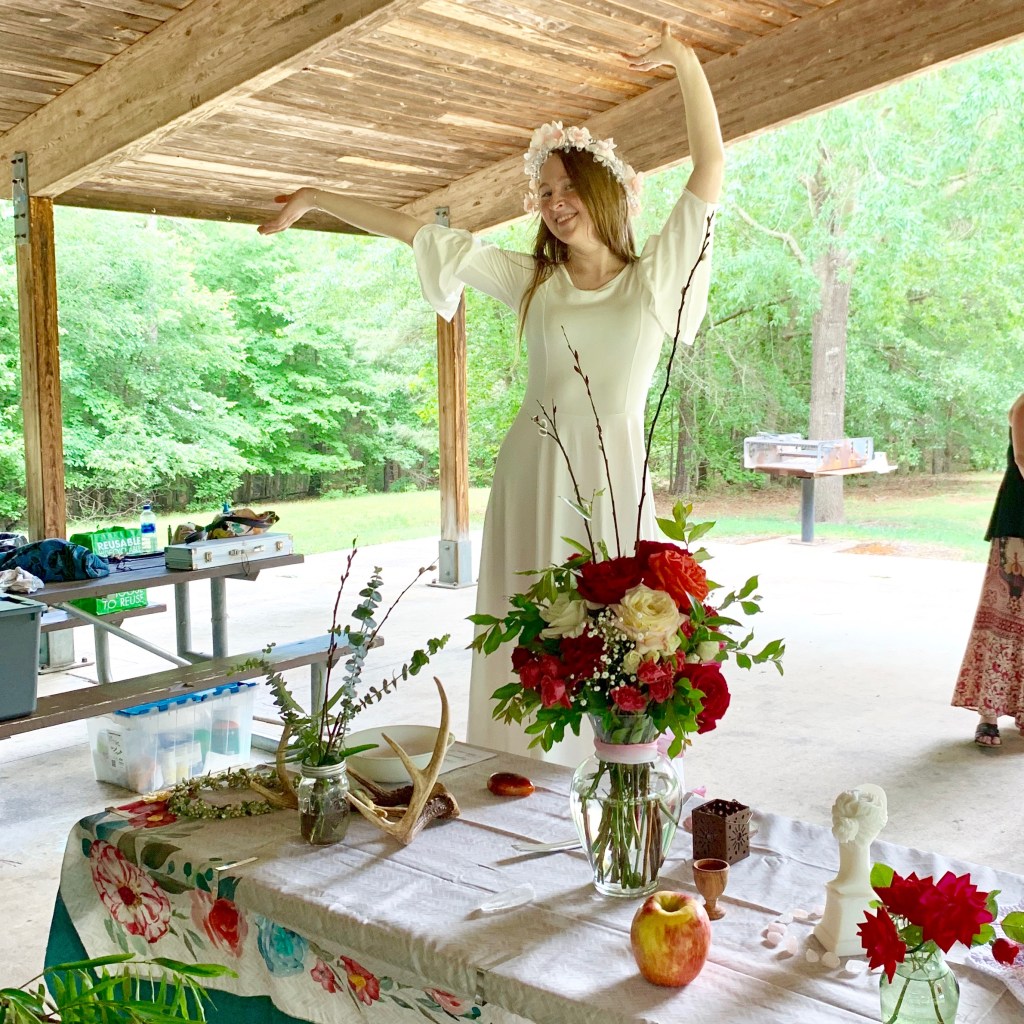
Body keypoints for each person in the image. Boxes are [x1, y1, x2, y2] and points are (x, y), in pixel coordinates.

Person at [257, 26, 724, 766]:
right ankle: (515, 775)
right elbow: (419, 233)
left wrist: (686, 60)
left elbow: (709, 166)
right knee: (528, 636)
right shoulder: (532, 279)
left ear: (603, 191)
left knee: (619, 637)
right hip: (529, 472)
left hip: (613, 478)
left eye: (569, 188)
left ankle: (617, 777)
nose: (555, 203)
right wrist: (317, 198)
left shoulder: (651, 279)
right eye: (544, 193)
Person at [952, 392, 1024, 748]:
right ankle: (989, 714)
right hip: (1018, 528)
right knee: (1003, 620)